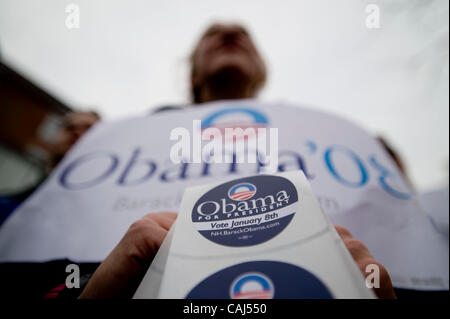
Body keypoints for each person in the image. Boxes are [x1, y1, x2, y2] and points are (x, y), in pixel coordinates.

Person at [77, 23, 396, 299]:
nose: (229, 33)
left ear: (260, 70)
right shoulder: (137, 138)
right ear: (192, 76)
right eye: (212, 34)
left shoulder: (314, 130)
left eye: (243, 33)